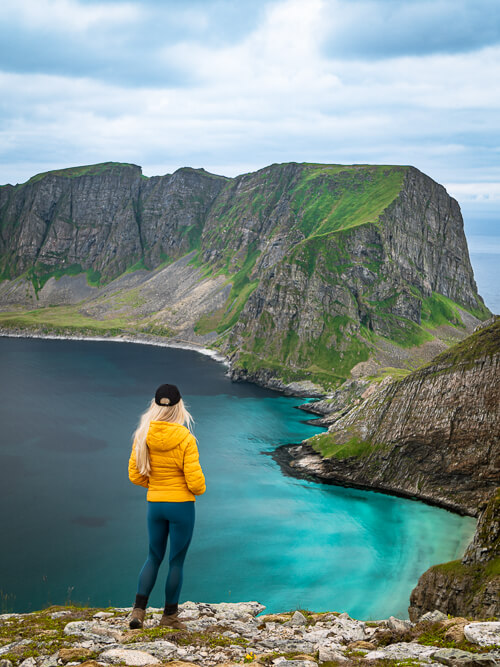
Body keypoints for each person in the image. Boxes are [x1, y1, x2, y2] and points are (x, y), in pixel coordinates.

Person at [128, 383, 206, 630]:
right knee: (176, 562)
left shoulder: (143, 435)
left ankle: (138, 613)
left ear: (155, 406)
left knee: (153, 556)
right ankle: (169, 617)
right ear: (179, 407)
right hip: (181, 506)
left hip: (155, 504)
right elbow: (197, 485)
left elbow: (135, 475)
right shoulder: (185, 438)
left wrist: (156, 485)